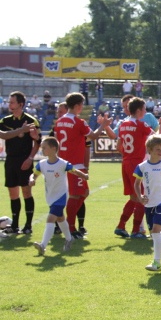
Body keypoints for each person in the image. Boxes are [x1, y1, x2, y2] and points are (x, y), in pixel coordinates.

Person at [53, 92, 110, 237]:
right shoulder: (79, 122)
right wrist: (103, 125)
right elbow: (94, 136)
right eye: (82, 105)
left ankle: (68, 224)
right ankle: (70, 228)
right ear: (78, 106)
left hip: (63, 162)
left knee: (83, 193)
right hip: (75, 164)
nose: (82, 108)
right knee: (75, 195)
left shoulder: (59, 122)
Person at [29, 137, 86, 255]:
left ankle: (43, 245)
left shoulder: (62, 164)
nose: (42, 150)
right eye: (42, 148)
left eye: (44, 148)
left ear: (54, 148)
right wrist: (31, 180)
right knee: (60, 218)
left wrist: (84, 175)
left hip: (61, 196)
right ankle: (69, 239)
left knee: (51, 218)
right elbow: (33, 175)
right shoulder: (42, 164)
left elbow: (74, 171)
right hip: (50, 196)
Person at [134, 135, 161, 272]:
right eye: (158, 149)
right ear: (149, 150)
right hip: (149, 203)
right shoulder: (142, 167)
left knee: (156, 231)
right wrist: (140, 196)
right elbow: (137, 183)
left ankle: (157, 263)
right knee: (154, 233)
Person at [113, 98, 155, 238]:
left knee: (134, 197)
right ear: (138, 111)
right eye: (144, 109)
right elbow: (156, 138)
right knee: (142, 196)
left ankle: (121, 225)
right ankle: (136, 230)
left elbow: (119, 146)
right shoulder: (141, 125)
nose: (145, 111)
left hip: (125, 162)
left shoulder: (123, 124)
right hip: (136, 164)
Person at [0, 91, 41, 234]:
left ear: (20, 104)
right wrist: (21, 130)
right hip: (10, 160)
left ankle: (28, 226)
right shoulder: (5, 121)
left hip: (25, 160)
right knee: (13, 194)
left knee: (26, 192)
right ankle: (15, 225)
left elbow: (37, 143)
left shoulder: (32, 120)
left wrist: (30, 158)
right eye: (9, 102)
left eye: (12, 102)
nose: (9, 104)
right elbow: (3, 135)